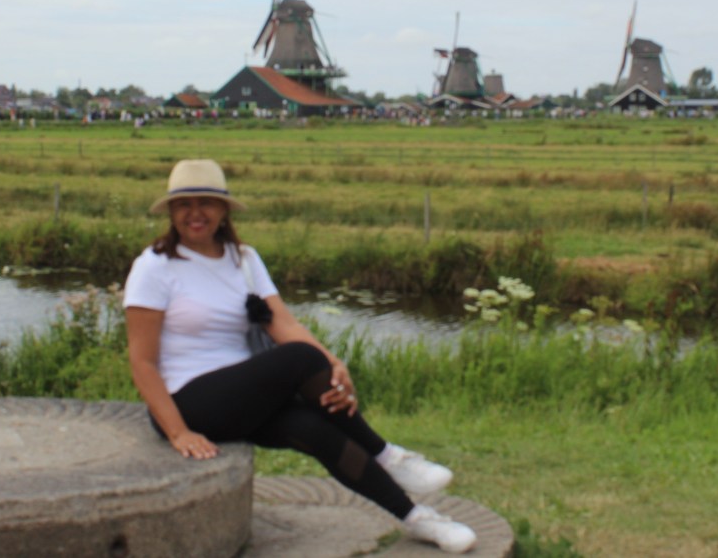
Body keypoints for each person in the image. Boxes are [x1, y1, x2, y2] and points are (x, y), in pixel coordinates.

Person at [124, 159, 476, 554]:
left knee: (315, 429)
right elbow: (142, 361)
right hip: (188, 401)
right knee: (298, 358)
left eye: (206, 202)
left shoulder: (244, 259)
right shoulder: (153, 267)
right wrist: (178, 432)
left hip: (241, 396)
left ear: (224, 210)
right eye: (184, 204)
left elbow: (285, 325)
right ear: (170, 212)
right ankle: (387, 455)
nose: (195, 213)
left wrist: (333, 365)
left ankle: (418, 519)